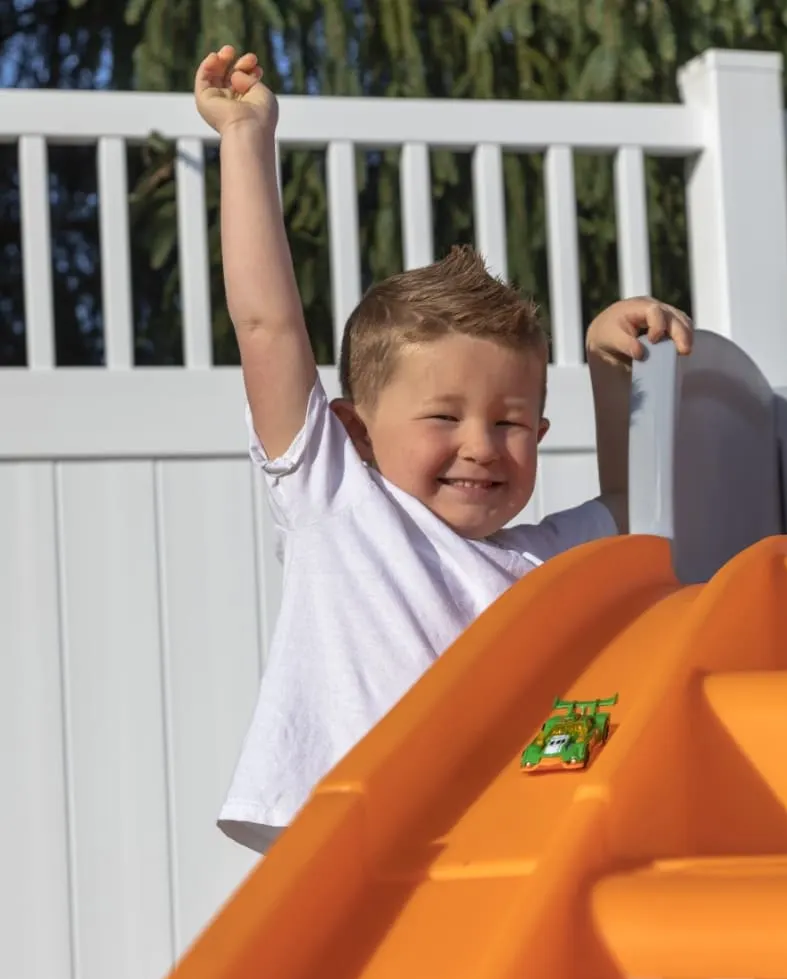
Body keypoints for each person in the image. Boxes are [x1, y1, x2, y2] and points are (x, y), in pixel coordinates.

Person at [194, 45, 693, 854]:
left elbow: (640, 515)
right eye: (445, 418)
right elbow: (267, 328)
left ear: (538, 435)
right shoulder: (342, 506)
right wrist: (247, 140)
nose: (482, 448)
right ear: (356, 432)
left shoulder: (543, 560)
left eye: (509, 423)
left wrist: (610, 370)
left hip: (501, 852)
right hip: (355, 855)